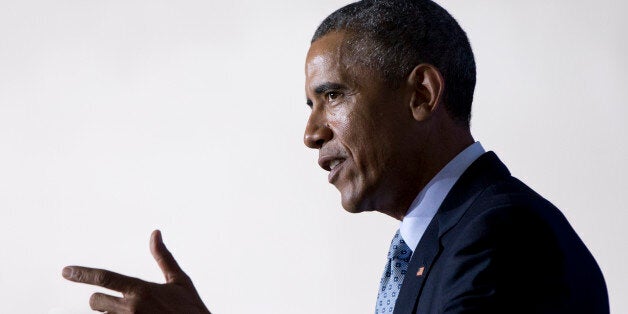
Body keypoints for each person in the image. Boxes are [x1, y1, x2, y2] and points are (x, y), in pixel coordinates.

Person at [62, 0, 610, 313]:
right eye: (310, 103)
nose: (310, 132)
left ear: (421, 94)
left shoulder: (499, 238)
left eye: (333, 95)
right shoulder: (450, 237)